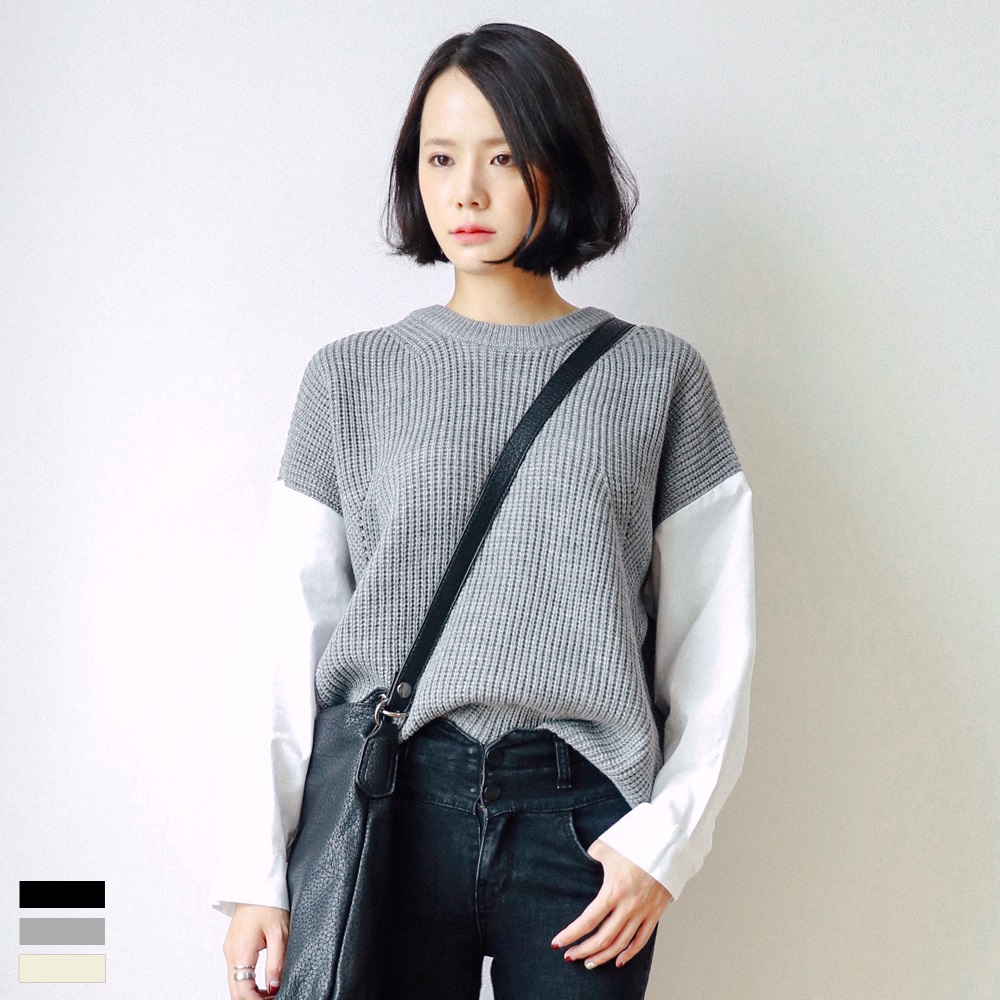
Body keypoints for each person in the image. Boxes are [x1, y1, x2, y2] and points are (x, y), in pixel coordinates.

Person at [211, 22, 755, 1000]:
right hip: (387, 807)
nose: (466, 190)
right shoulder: (348, 380)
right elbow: (290, 638)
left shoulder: (657, 376)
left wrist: (664, 843)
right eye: (440, 157)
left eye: (503, 156)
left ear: (562, 161)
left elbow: (713, 644)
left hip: (580, 818)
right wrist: (259, 873)